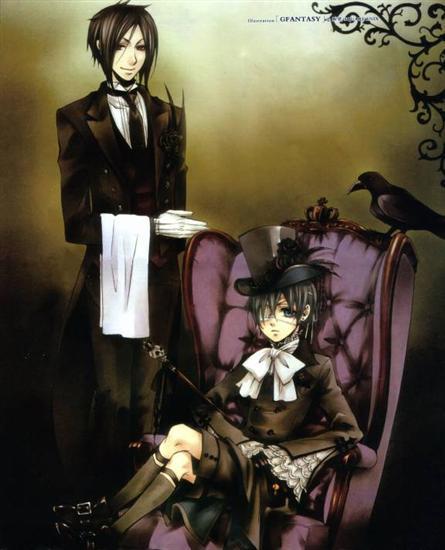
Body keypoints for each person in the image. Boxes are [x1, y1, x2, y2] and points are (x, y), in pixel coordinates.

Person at [54, 226, 363, 549]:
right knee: (180, 460)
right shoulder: (254, 361)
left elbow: (349, 431)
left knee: (179, 437)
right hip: (238, 457)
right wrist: (240, 440)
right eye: (264, 311)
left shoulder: (318, 368)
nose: (271, 321)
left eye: (284, 311)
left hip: (265, 477)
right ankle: (109, 531)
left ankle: (102, 512)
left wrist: (286, 454)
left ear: (304, 312)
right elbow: (207, 404)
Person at [54, 0, 206, 493]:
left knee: (150, 397)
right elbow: (77, 223)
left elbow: (175, 204)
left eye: (141, 47)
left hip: (160, 277)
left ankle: (145, 504)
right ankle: (107, 505)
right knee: (114, 397)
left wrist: (176, 231)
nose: (131, 57)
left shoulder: (170, 116)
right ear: (101, 47)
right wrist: (152, 225)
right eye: (121, 46)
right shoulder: (76, 118)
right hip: (109, 277)